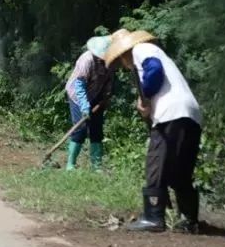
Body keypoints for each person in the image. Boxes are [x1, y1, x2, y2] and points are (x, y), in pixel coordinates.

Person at [104, 29, 203, 233]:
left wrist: (145, 97)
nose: (123, 65)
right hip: (190, 114)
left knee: (155, 163)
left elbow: (154, 71)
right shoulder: (154, 52)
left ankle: (153, 217)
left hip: (171, 114)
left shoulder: (142, 49)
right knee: (179, 171)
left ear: (124, 52)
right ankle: (189, 220)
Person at [64, 35, 114, 170]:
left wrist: (106, 97)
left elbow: (109, 81)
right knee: (80, 129)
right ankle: (71, 164)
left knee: (97, 129)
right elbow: (79, 85)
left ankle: (96, 166)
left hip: (97, 97)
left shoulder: (110, 61)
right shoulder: (86, 60)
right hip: (77, 96)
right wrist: (84, 106)